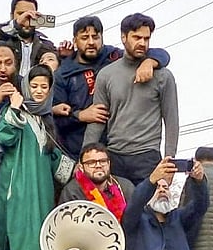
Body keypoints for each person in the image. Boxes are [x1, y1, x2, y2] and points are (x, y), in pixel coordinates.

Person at [52, 16, 170, 160]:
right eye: (84, 37)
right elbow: (55, 119)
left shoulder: (114, 57)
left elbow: (159, 53)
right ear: (75, 40)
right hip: (78, 151)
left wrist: (150, 62)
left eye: (95, 37)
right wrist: (80, 116)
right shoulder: (63, 74)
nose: (91, 42)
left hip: (117, 149)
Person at [0, 64, 74, 250]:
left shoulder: (44, 118)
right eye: (34, 85)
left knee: (41, 233)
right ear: (26, 87)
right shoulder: (14, 112)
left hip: (42, 188)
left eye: (44, 87)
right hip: (18, 187)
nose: (39, 91)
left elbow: (52, 155)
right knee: (19, 231)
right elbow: (5, 138)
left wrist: (79, 170)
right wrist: (14, 108)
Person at [84, 13, 179, 185]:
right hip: (114, 156)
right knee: (113, 211)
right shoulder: (106, 75)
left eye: (146, 38)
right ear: (123, 37)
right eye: (136, 37)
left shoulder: (163, 76)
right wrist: (85, 156)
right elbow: (97, 120)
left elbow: (171, 121)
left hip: (147, 157)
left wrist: (169, 163)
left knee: (148, 211)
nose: (142, 43)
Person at [57, 142, 135, 250]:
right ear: (81, 167)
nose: (98, 166)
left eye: (102, 161)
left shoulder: (125, 187)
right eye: (91, 163)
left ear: (109, 164)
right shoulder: (72, 190)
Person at [0, 0, 57, 79]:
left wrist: (66, 54)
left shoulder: (45, 45)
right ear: (12, 16)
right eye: (21, 13)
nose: (26, 17)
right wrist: (16, 24)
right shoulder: (2, 38)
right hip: (4, 89)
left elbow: (58, 64)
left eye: (31, 14)